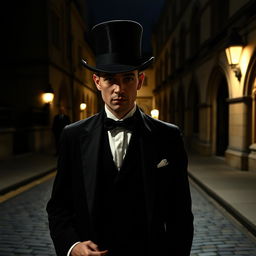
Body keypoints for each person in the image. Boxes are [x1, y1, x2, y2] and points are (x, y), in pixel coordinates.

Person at [47, 20, 194, 256]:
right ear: (97, 82)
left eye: (128, 78)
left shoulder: (168, 135)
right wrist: (72, 246)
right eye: (110, 79)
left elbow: (180, 213)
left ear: (140, 81)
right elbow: (59, 206)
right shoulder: (73, 135)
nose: (119, 88)